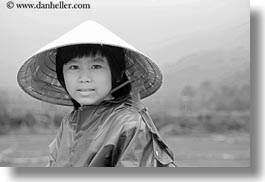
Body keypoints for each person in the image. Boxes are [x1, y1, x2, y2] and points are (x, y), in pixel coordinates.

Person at [17, 20, 177, 167]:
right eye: (73, 67)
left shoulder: (130, 125)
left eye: (95, 66)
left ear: (117, 72)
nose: (84, 78)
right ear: (61, 76)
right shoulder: (70, 121)